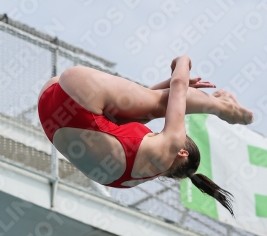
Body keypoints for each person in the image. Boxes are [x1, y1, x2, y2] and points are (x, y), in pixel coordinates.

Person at [37, 56, 253, 216]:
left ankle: (225, 109)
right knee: (152, 106)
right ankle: (221, 106)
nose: (162, 132)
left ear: (182, 151)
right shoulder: (132, 177)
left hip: (78, 92)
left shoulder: (170, 146)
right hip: (50, 112)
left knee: (170, 101)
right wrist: (168, 87)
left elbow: (178, 88)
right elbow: (120, 117)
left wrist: (182, 64)